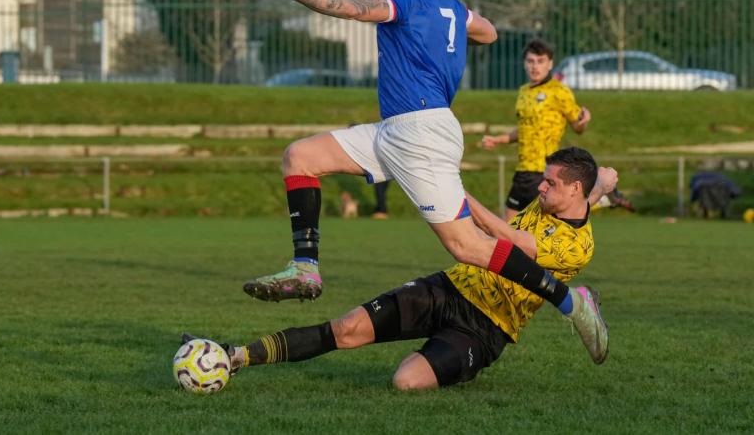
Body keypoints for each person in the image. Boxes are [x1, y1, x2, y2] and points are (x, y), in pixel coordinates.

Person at [246, 0, 603, 360]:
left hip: (421, 134)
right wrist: (442, 33)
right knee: (300, 156)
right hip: (394, 129)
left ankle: (571, 302)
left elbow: (351, 8)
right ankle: (306, 267)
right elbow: (489, 32)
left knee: (467, 247)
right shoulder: (448, 3)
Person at [199, 148, 615, 388]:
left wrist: (453, 193)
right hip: (448, 288)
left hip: (487, 328)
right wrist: (604, 182)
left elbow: (508, 238)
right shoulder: (562, 198)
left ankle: (571, 304)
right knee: (346, 329)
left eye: (550, 183)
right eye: (543, 179)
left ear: (574, 189)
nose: (540, 187)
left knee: (406, 382)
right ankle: (239, 356)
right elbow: (593, 189)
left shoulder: (578, 247)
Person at [481, 39, 592, 220]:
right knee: (508, 227)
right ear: (524, 63)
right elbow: (525, 128)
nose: (535, 66)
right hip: (523, 171)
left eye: (540, 61)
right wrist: (498, 139)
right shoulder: (523, 91)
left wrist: (583, 122)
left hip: (545, 171)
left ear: (550, 64)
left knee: (538, 228)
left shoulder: (559, 91)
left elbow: (577, 127)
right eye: (530, 61)